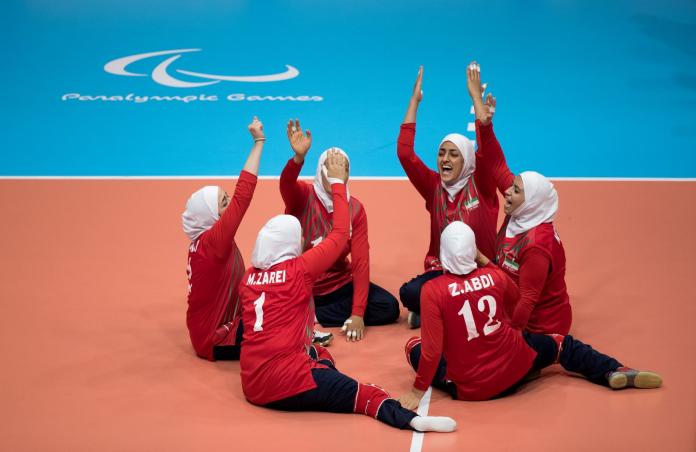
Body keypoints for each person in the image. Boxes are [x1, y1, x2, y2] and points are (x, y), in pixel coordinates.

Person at [239, 151, 455, 432]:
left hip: (252, 382)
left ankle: (321, 355)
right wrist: (338, 183)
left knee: (321, 355)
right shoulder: (300, 270)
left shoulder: (248, 279)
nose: (304, 239)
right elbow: (340, 234)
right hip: (288, 382)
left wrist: (358, 312)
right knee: (361, 393)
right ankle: (412, 420)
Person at [397, 221, 662, 409]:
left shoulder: (432, 290)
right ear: (472, 249)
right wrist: (486, 261)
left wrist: (417, 391)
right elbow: (515, 296)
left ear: (444, 251)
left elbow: (431, 353)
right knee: (562, 344)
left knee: (414, 347)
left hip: (473, 389)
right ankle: (613, 370)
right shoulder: (493, 277)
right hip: (515, 366)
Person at [465, 64, 572, 334]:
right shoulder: (524, 209)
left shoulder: (537, 246)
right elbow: (497, 164)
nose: (507, 192)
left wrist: (509, 339)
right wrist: (483, 120)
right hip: (508, 297)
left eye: (515, 190)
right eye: (512, 187)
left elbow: (527, 301)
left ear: (532, 201)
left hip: (539, 327)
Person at [396, 64, 500, 328]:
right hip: (442, 273)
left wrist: (477, 101)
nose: (445, 159)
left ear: (466, 160)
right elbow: (405, 155)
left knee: (504, 292)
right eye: (442, 153)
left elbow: (487, 152)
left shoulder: (482, 184)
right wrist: (414, 102)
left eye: (454, 154)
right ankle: (445, 308)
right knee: (409, 292)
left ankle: (439, 310)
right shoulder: (433, 187)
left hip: (480, 273)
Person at [279, 119, 399, 342]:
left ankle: (312, 316)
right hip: (302, 286)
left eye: (341, 167)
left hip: (339, 286)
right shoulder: (303, 197)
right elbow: (286, 184)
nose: (336, 173)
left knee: (389, 307)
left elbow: (361, 263)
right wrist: (298, 159)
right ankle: (306, 311)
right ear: (319, 170)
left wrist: (357, 313)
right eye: (330, 167)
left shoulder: (355, 209)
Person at [181, 117, 264, 361]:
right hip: (216, 338)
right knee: (277, 330)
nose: (229, 208)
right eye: (223, 203)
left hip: (213, 327)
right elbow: (243, 196)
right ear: (210, 216)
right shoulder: (213, 243)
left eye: (226, 198)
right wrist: (259, 142)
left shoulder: (204, 242)